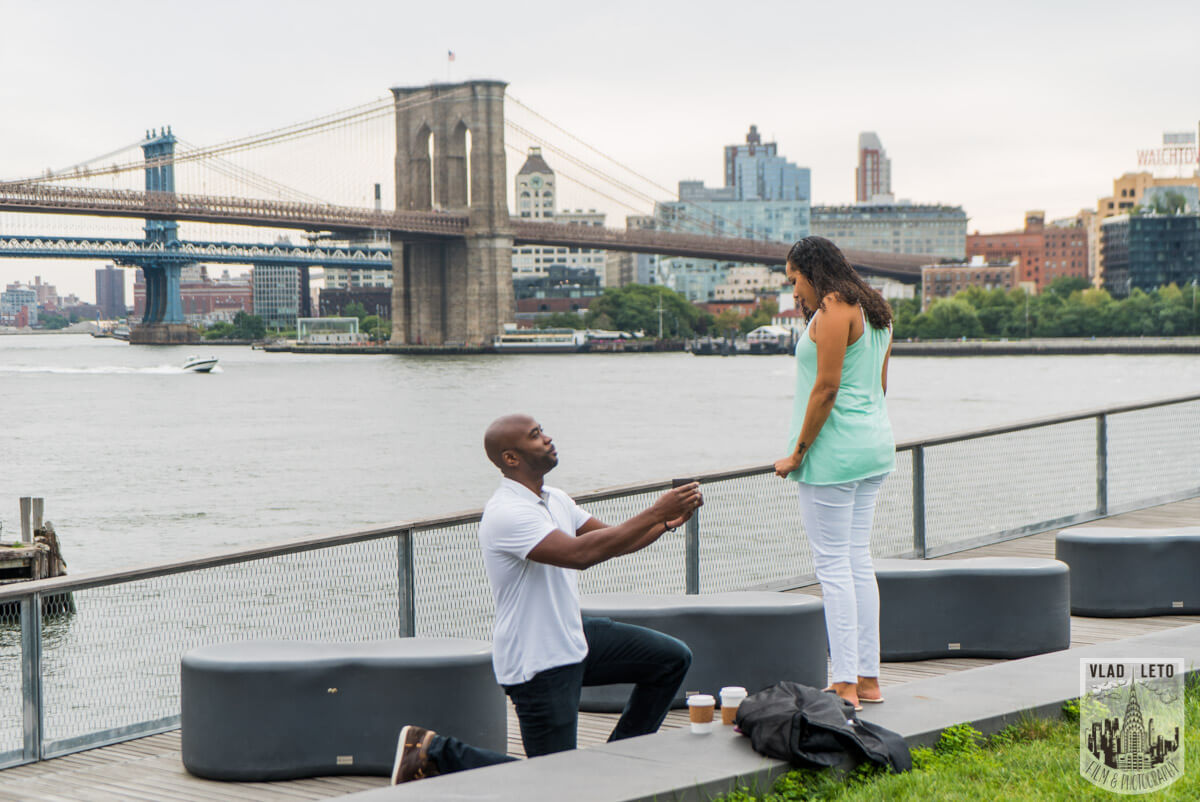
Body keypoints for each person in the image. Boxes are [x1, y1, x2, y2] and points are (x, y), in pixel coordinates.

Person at [391, 413, 703, 784]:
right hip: (537, 659)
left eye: (542, 431)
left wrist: (664, 523)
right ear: (511, 458)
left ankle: (617, 763)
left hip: (572, 637)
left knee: (670, 659)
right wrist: (654, 511)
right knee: (553, 782)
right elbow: (579, 554)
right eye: (535, 435)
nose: (548, 438)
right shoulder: (507, 513)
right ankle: (434, 751)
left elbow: (615, 542)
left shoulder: (555, 499)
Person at [772, 236, 895, 712]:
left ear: (811, 271)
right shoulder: (875, 309)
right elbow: (879, 386)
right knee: (858, 560)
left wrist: (797, 454)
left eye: (794, 279)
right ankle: (868, 678)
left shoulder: (832, 309)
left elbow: (825, 389)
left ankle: (843, 683)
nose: (794, 291)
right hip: (873, 448)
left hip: (833, 456)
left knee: (832, 566)